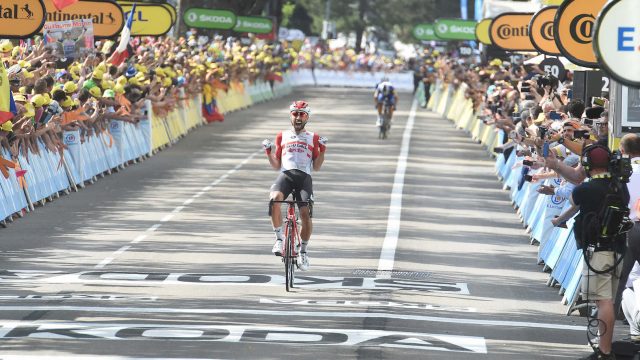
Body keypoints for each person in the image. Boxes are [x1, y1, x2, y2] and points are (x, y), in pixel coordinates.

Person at [573, 145, 629, 360]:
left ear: (588, 165)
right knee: (608, 301)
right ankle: (602, 348)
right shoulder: (619, 187)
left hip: (599, 252)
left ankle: (604, 352)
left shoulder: (585, 190)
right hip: (617, 250)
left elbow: (573, 201)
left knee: (603, 301)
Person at [262, 101, 327, 271]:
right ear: (290, 116)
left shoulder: (313, 137)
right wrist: (268, 153)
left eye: (302, 114)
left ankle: (303, 252)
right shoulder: (281, 136)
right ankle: (279, 240)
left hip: (304, 178)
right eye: (295, 114)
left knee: (305, 214)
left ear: (307, 117)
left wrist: (323, 151)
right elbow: (277, 165)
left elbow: (317, 166)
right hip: (286, 175)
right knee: (275, 199)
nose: (298, 117)